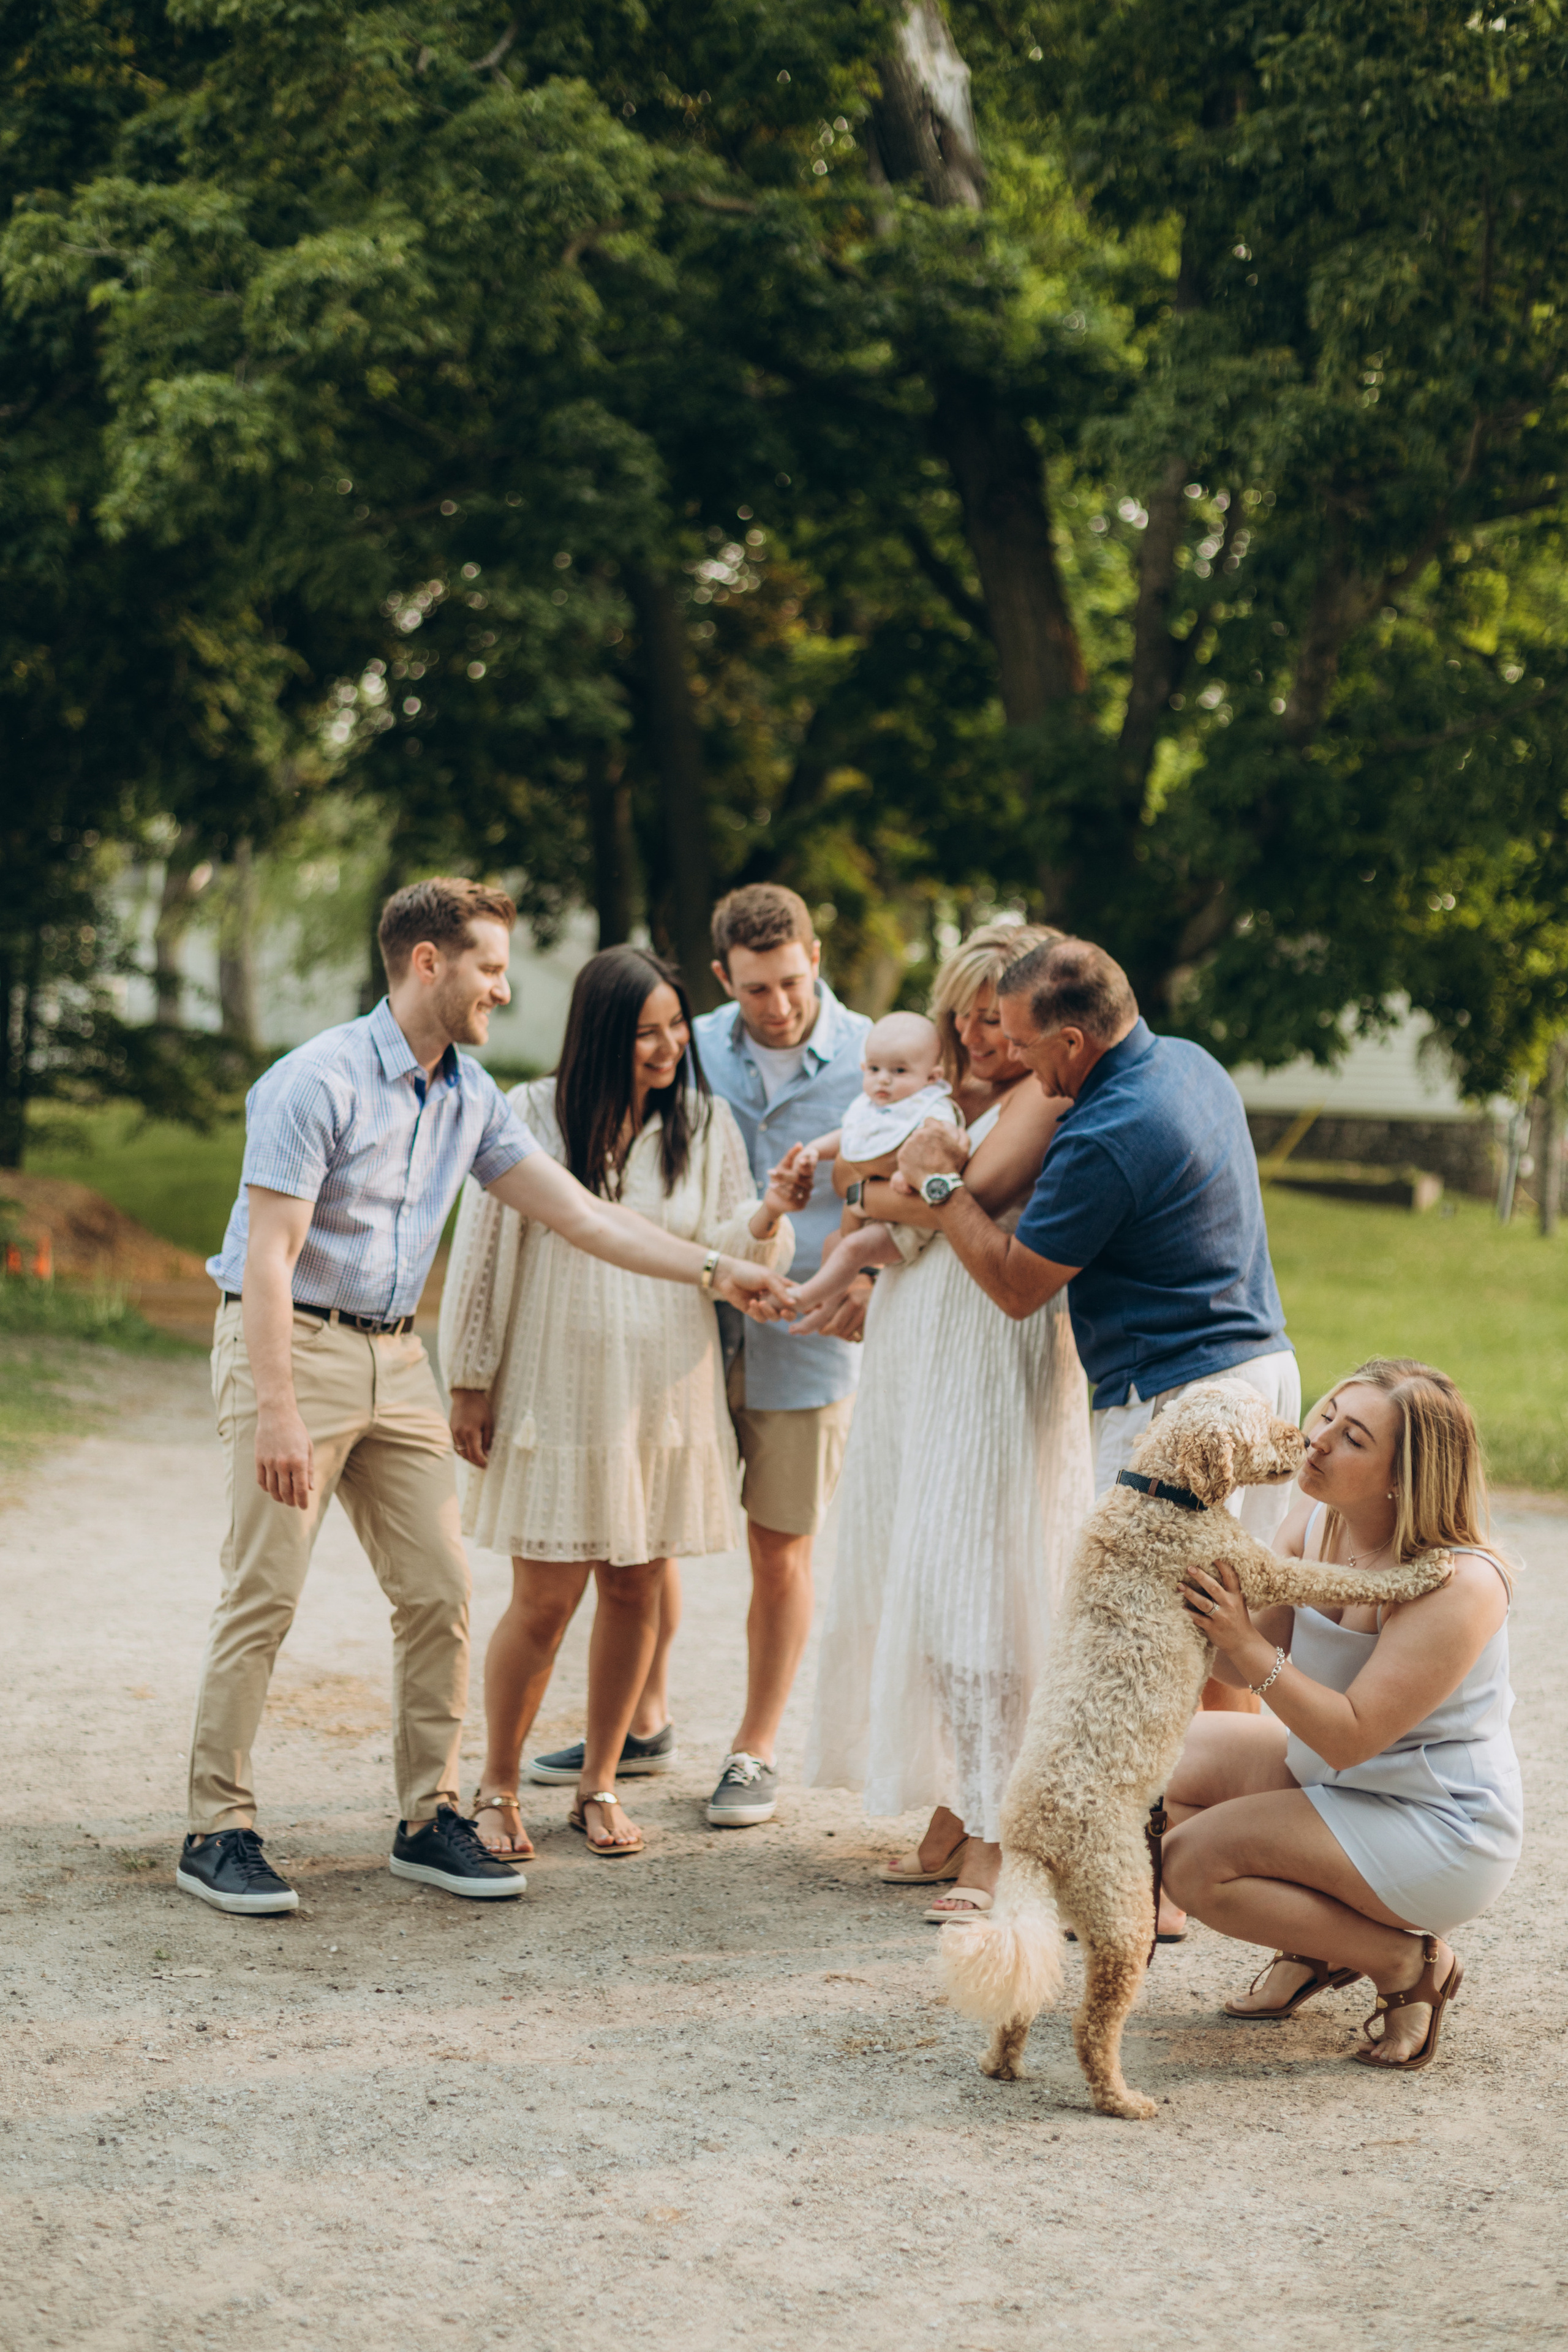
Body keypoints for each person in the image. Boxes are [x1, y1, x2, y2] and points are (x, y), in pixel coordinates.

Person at [182, 881, 790, 1918]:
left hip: (393, 1359)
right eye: (490, 969)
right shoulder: (314, 1082)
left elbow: (586, 1218)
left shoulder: (467, 1097)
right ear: (429, 964)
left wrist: (715, 1273)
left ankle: (430, 1818)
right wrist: (278, 1408)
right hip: (296, 1348)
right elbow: (272, 1261)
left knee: (440, 1595)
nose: (504, 990)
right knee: (265, 1594)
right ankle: (218, 1828)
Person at [439, 947, 804, 1860]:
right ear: (602, 1033)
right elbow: (482, 1258)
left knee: (637, 1585)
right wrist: (469, 1381)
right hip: (556, 1391)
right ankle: (499, 1784)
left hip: (664, 1394)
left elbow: (733, 1258)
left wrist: (766, 1216)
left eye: (678, 1027)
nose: (670, 1047)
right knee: (545, 1599)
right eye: (648, 1032)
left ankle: (600, 1781)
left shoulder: (705, 1121)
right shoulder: (527, 1113)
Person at [894, 933, 1299, 1721]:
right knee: (1221, 1634)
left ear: (1072, 1041)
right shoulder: (1191, 1063)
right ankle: (1213, 1836)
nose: (1011, 1057)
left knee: (1139, 1648)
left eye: (1019, 1041)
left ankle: (1165, 1838)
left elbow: (1015, 1284)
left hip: (1178, 1406)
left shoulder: (1103, 1135)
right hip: (1263, 1374)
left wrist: (939, 1186)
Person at [803, 922, 1095, 1920]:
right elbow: (864, 1187)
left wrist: (895, 1186)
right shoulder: (935, 1093)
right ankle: (951, 1796)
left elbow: (963, 1195)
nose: (979, 1034)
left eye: (996, 1016)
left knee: (981, 1578)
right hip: (916, 1339)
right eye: (965, 1013)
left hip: (992, 1340)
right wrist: (885, 1186)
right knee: (919, 1570)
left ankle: (999, 1833)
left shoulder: (1040, 1097)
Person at [1162, 1359, 1520, 2071]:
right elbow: (1236, 1664)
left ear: (1404, 1475)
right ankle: (1317, 1944)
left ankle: (1405, 1964)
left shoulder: (1461, 1581)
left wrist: (1241, 1637)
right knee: (1155, 1763)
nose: (1317, 1441)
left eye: (1353, 1438)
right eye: (1325, 1415)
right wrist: (1199, 1603)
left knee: (1192, 1866)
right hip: (1330, 1777)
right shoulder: (1317, 1518)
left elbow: (1350, 1736)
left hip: (1435, 1824)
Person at [687, 884, 872, 1828]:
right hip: (692, 1333)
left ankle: (753, 1750)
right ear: (725, 978)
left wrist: (868, 1284)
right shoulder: (687, 1046)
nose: (779, 1006)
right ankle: (638, 1721)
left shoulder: (878, 1056)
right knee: (648, 1533)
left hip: (806, 1348)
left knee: (780, 1551)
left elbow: (906, 1197)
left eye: (793, 982)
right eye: (756, 990)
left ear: (815, 957)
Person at [787, 1008, 967, 1317]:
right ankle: (824, 1309)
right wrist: (815, 1150)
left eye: (899, 1071)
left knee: (850, 1250)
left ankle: (799, 1299)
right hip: (870, 1214)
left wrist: (909, 1175)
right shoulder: (871, 1108)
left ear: (932, 1077)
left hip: (905, 1223)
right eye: (874, 1069)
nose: (884, 1080)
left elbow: (941, 1154)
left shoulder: (932, 1111)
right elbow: (849, 1135)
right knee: (835, 1243)